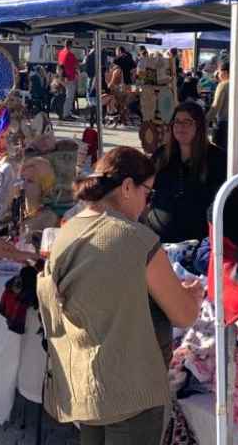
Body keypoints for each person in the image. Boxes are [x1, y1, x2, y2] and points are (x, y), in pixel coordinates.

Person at [38, 147, 203, 442]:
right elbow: (184, 315)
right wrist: (193, 294)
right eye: (147, 192)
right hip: (132, 392)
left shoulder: (66, 231)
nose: (147, 203)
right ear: (128, 187)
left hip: (84, 385)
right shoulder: (137, 240)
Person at [146, 101, 227, 244]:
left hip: (197, 244)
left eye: (187, 122)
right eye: (177, 122)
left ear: (199, 126)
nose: (180, 127)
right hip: (157, 241)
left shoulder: (217, 159)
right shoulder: (162, 155)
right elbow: (143, 188)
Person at [8, 156, 60, 246]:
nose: (23, 184)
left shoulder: (48, 218)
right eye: (22, 179)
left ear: (43, 186)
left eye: (30, 181)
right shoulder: (17, 207)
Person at [206, 60, 231, 148]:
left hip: (223, 125)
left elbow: (215, 107)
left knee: (219, 154)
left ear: (225, 72)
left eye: (219, 71)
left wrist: (206, 121)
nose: (218, 74)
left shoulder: (223, 85)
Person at [57, 39, 79, 121]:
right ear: (70, 45)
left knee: (66, 96)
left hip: (62, 78)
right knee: (69, 97)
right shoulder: (70, 54)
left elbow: (60, 65)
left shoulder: (61, 53)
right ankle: (66, 114)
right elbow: (76, 65)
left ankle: (65, 113)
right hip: (70, 78)